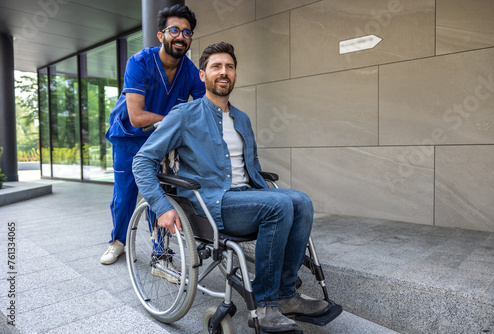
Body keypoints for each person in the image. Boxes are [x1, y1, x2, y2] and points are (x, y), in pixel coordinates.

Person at [133, 42, 336, 332]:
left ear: (236, 76)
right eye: (216, 67)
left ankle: (286, 295)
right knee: (278, 206)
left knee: (301, 201)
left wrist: (268, 192)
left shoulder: (242, 119)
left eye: (229, 67)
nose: (223, 72)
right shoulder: (183, 116)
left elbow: (251, 167)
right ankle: (266, 306)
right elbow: (142, 161)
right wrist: (161, 205)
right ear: (202, 75)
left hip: (247, 198)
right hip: (210, 204)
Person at [101, 4, 205, 265]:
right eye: (174, 30)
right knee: (125, 195)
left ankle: (160, 254)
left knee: (159, 194)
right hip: (128, 137)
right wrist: (177, 121)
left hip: (159, 139)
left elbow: (206, 108)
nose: (181, 36)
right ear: (161, 35)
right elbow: (137, 116)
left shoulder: (191, 71)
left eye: (187, 32)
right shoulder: (139, 63)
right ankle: (117, 242)